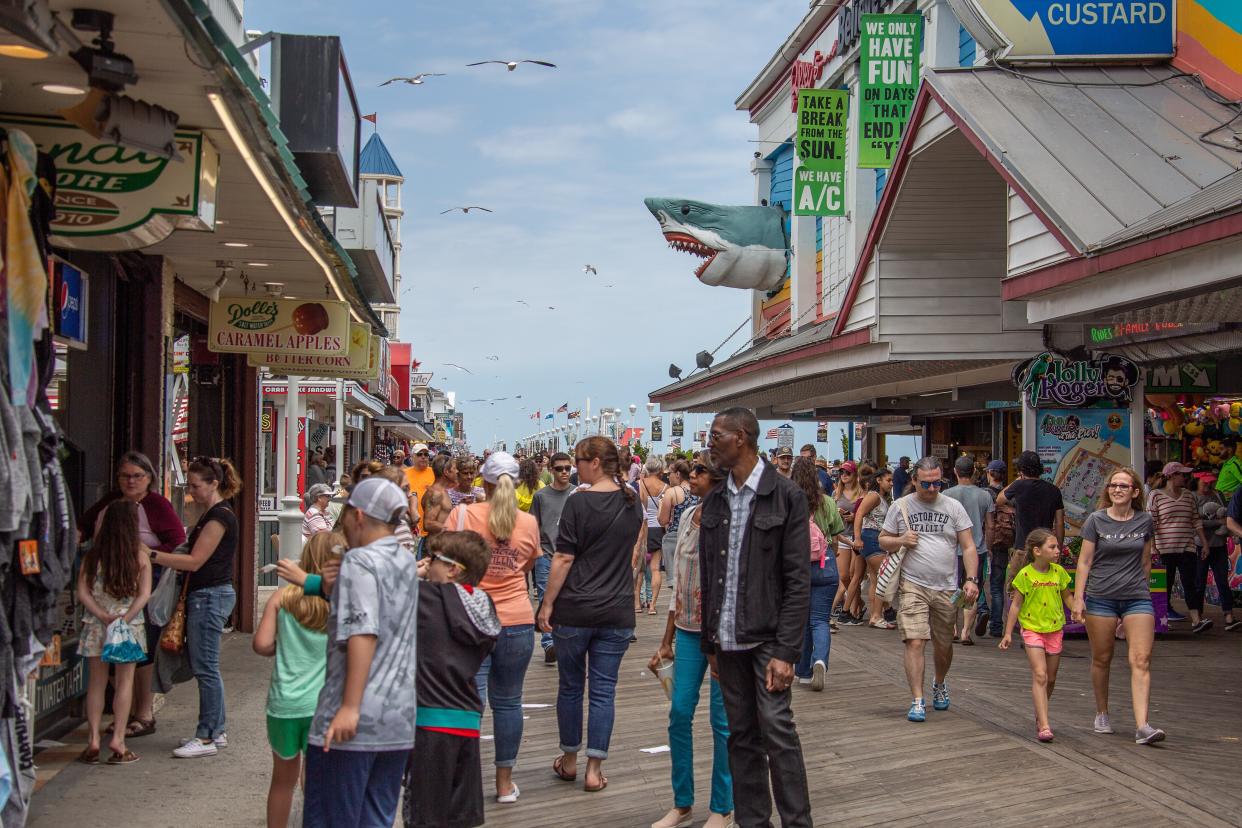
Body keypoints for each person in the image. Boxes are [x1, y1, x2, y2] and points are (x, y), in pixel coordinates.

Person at [699, 408, 812, 828]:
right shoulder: (715, 499)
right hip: (727, 640)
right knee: (741, 734)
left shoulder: (785, 496)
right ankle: (753, 822)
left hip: (767, 639)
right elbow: (710, 575)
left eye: (716, 435)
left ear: (741, 437)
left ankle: (797, 822)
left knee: (777, 730)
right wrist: (710, 643)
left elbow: (797, 580)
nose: (710, 442)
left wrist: (786, 651)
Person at [304, 478, 420, 827]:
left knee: (332, 817)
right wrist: (330, 588)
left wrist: (349, 707)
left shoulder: (359, 562)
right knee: (375, 818)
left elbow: (363, 631)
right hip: (398, 717)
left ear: (357, 515)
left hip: (355, 720)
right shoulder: (405, 561)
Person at [537, 436, 643, 795]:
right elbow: (631, 554)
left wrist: (547, 604)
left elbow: (563, 557)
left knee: (570, 686)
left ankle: (569, 760)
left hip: (576, 608)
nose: (574, 468)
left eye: (579, 461)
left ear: (595, 462)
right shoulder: (633, 502)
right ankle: (594, 770)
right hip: (616, 610)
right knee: (603, 690)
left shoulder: (578, 503)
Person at [446, 451, 540, 803]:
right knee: (509, 702)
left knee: (470, 701)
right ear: (516, 485)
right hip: (516, 619)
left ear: (482, 481)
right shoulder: (528, 523)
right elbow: (528, 564)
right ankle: (504, 785)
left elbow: (447, 564)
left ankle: (463, 783)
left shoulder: (462, 515)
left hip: (470, 618)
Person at [649, 452, 734, 828]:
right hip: (684, 630)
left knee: (722, 722)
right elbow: (679, 581)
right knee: (678, 713)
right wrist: (665, 639)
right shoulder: (686, 516)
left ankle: (723, 806)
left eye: (699, 471)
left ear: (718, 478)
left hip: (722, 637)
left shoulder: (731, 521)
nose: (690, 476)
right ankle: (682, 802)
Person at [81, 451, 185, 742]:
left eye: (137, 476)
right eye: (125, 475)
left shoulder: (157, 506)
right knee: (114, 669)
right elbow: (84, 525)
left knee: (141, 656)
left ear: (149, 478)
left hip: (142, 590)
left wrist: (149, 555)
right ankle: (117, 728)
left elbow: (177, 543)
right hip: (114, 598)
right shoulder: (110, 505)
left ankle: (142, 713)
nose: (130, 481)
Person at [403, 531, 499, 827]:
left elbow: (378, 589)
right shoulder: (484, 605)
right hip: (467, 721)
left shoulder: (426, 597)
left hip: (428, 721)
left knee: (424, 816)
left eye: (433, 559)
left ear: (453, 569)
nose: (426, 563)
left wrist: (410, 573)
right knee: (459, 818)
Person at [151, 456, 241, 757]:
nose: (191, 491)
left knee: (206, 668)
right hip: (209, 594)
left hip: (209, 595)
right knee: (207, 667)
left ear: (214, 483)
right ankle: (216, 730)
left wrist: (153, 556)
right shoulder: (214, 514)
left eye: (195, 485)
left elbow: (195, 560)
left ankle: (206, 736)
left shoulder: (218, 517)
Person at [1070, 466, 1165, 744]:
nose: (1118, 490)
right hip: (1101, 597)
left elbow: (1146, 561)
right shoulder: (1096, 520)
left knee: (1141, 659)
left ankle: (1142, 726)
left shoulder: (1145, 521)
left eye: (1124, 486)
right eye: (1113, 486)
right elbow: (1084, 562)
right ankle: (1102, 712)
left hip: (1137, 597)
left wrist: (1143, 590)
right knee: (1102, 658)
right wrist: (1079, 598)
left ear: (1135, 491)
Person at [880, 456, 978, 723]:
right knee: (914, 640)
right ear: (914, 480)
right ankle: (917, 699)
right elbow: (883, 540)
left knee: (943, 644)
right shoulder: (900, 506)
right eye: (926, 484)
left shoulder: (953, 507)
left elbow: (968, 546)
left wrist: (971, 579)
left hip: (946, 587)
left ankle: (940, 681)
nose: (933, 489)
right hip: (912, 584)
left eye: (938, 483)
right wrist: (901, 539)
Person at [253, 532, 341, 828]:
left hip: (284, 704)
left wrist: (285, 646)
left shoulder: (282, 598)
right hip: (324, 705)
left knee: (282, 780)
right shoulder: (337, 604)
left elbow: (261, 644)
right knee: (316, 780)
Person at [77, 499, 152, 765]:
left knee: (96, 683)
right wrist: (126, 618)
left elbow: (82, 591)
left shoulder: (93, 556)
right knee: (124, 683)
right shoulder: (139, 556)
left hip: (97, 625)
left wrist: (102, 615)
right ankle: (118, 740)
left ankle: (93, 740)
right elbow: (144, 594)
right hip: (128, 628)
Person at [998, 529, 1071, 742]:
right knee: (1040, 675)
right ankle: (1045, 724)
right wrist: (1008, 633)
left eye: (1057, 547)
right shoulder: (1025, 575)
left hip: (1055, 628)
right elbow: (1016, 605)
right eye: (1053, 547)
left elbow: (1068, 596)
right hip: (1032, 629)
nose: (1057, 551)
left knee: (1051, 678)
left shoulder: (1059, 572)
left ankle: (1040, 711)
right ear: (1037, 551)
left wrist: (1077, 610)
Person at [791, 457, 843, 690]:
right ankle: (820, 659)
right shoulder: (828, 503)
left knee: (802, 621)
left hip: (797, 567)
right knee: (820, 620)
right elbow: (836, 535)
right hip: (825, 565)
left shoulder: (788, 502)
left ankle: (802, 671)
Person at [1147, 462, 1211, 632]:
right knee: (1164, 585)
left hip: (1187, 547)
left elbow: (1195, 520)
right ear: (1172, 476)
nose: (1185, 477)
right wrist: (1153, 547)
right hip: (1164, 549)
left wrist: (1204, 542)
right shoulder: (1156, 495)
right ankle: (1162, 619)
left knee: (1190, 583)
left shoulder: (1189, 496)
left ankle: (1196, 620)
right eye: (1182, 474)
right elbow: (1151, 522)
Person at [943, 456, 995, 645]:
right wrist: (988, 547)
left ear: (955, 472)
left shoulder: (946, 494)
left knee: (952, 589)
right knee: (971, 591)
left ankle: (953, 630)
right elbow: (990, 526)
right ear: (974, 472)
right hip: (977, 549)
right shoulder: (985, 495)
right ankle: (965, 632)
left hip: (952, 550)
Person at [530, 453, 575, 663]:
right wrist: (537, 552)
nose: (564, 472)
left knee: (568, 599)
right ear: (552, 471)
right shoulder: (541, 496)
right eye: (559, 469)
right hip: (546, 555)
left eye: (568, 468)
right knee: (545, 597)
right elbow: (534, 526)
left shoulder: (577, 494)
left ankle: (564, 640)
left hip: (571, 557)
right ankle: (549, 643)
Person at [850, 465, 895, 629]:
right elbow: (859, 514)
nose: (891, 483)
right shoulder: (874, 496)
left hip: (876, 538)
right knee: (884, 577)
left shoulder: (882, 498)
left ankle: (878, 614)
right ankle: (877, 615)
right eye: (888, 480)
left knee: (877, 579)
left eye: (892, 481)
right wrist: (857, 538)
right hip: (871, 537)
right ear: (879, 480)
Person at [1193, 474, 1239, 631]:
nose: (1208, 485)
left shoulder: (1218, 495)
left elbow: (1227, 516)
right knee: (1199, 581)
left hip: (1219, 544)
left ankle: (1229, 615)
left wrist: (1222, 523)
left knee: (1222, 581)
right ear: (1198, 482)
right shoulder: (1193, 497)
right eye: (1205, 482)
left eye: (1211, 482)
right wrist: (1217, 522)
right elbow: (1194, 521)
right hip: (1200, 544)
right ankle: (1198, 616)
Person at [997, 450, 1064, 550]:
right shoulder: (1054, 490)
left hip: (1023, 548)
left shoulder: (1019, 486)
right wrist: (1058, 548)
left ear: (1021, 470)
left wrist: (1017, 480)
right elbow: (1059, 523)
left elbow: (999, 500)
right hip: (1046, 548)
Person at [980, 460, 1015, 639]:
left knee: (976, 581)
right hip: (1003, 543)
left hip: (985, 542)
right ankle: (996, 626)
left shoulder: (984, 493)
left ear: (990, 473)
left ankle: (982, 609)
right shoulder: (1009, 494)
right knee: (997, 586)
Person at [832, 461, 864, 624]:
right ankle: (858, 602)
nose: (844, 475)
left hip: (857, 536)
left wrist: (854, 517)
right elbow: (830, 514)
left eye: (847, 473)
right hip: (842, 535)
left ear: (854, 475)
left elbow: (866, 514)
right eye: (841, 473)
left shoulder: (862, 494)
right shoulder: (836, 494)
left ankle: (854, 606)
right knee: (844, 575)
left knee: (854, 575)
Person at [657, 459, 698, 583]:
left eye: (670, 473)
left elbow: (662, 520)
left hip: (674, 538)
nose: (668, 476)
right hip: (693, 538)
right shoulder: (698, 491)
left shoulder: (671, 492)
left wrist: (660, 507)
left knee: (674, 582)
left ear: (678, 474)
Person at [636, 456, 667, 614]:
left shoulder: (640, 484)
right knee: (655, 569)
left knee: (639, 569)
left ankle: (637, 604)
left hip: (641, 528)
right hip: (657, 529)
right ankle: (653, 606)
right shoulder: (665, 487)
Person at [420, 454, 457, 537]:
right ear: (446, 472)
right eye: (454, 468)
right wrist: (455, 529)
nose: (457, 471)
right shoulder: (436, 493)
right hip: (435, 546)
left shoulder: (443, 492)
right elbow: (428, 524)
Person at [403, 444, 436, 530]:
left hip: (429, 528)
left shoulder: (435, 473)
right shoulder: (403, 474)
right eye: (419, 454)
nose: (423, 457)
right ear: (412, 456)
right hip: (410, 527)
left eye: (426, 454)